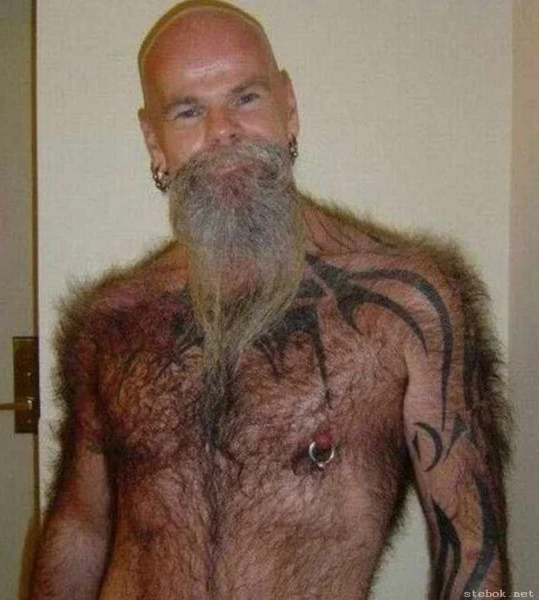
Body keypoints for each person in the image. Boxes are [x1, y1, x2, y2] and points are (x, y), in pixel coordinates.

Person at [31, 1, 511, 598]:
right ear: (155, 141)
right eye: (188, 111)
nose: (222, 131)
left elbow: (473, 549)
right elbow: (79, 525)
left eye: (246, 97)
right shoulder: (111, 322)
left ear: (290, 107)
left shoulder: (406, 307)